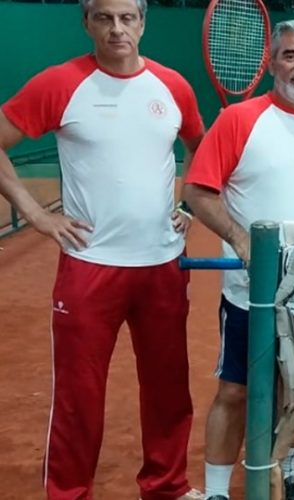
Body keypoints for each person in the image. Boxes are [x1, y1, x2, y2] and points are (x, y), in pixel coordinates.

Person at [0, 0, 205, 497]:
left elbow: (199, 147)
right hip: (89, 266)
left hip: (162, 264)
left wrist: (189, 205)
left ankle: (167, 486)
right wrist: (37, 215)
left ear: (142, 23)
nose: (117, 29)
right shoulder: (59, 83)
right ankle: (69, 493)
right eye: (104, 18)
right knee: (79, 397)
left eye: (127, 17)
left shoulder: (173, 86)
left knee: (168, 389)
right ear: (87, 23)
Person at [182, 20, 294, 500]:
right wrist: (241, 240)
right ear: (271, 63)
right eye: (290, 56)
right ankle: (218, 492)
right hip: (252, 294)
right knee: (236, 391)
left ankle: (280, 475)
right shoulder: (239, 120)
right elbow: (198, 191)